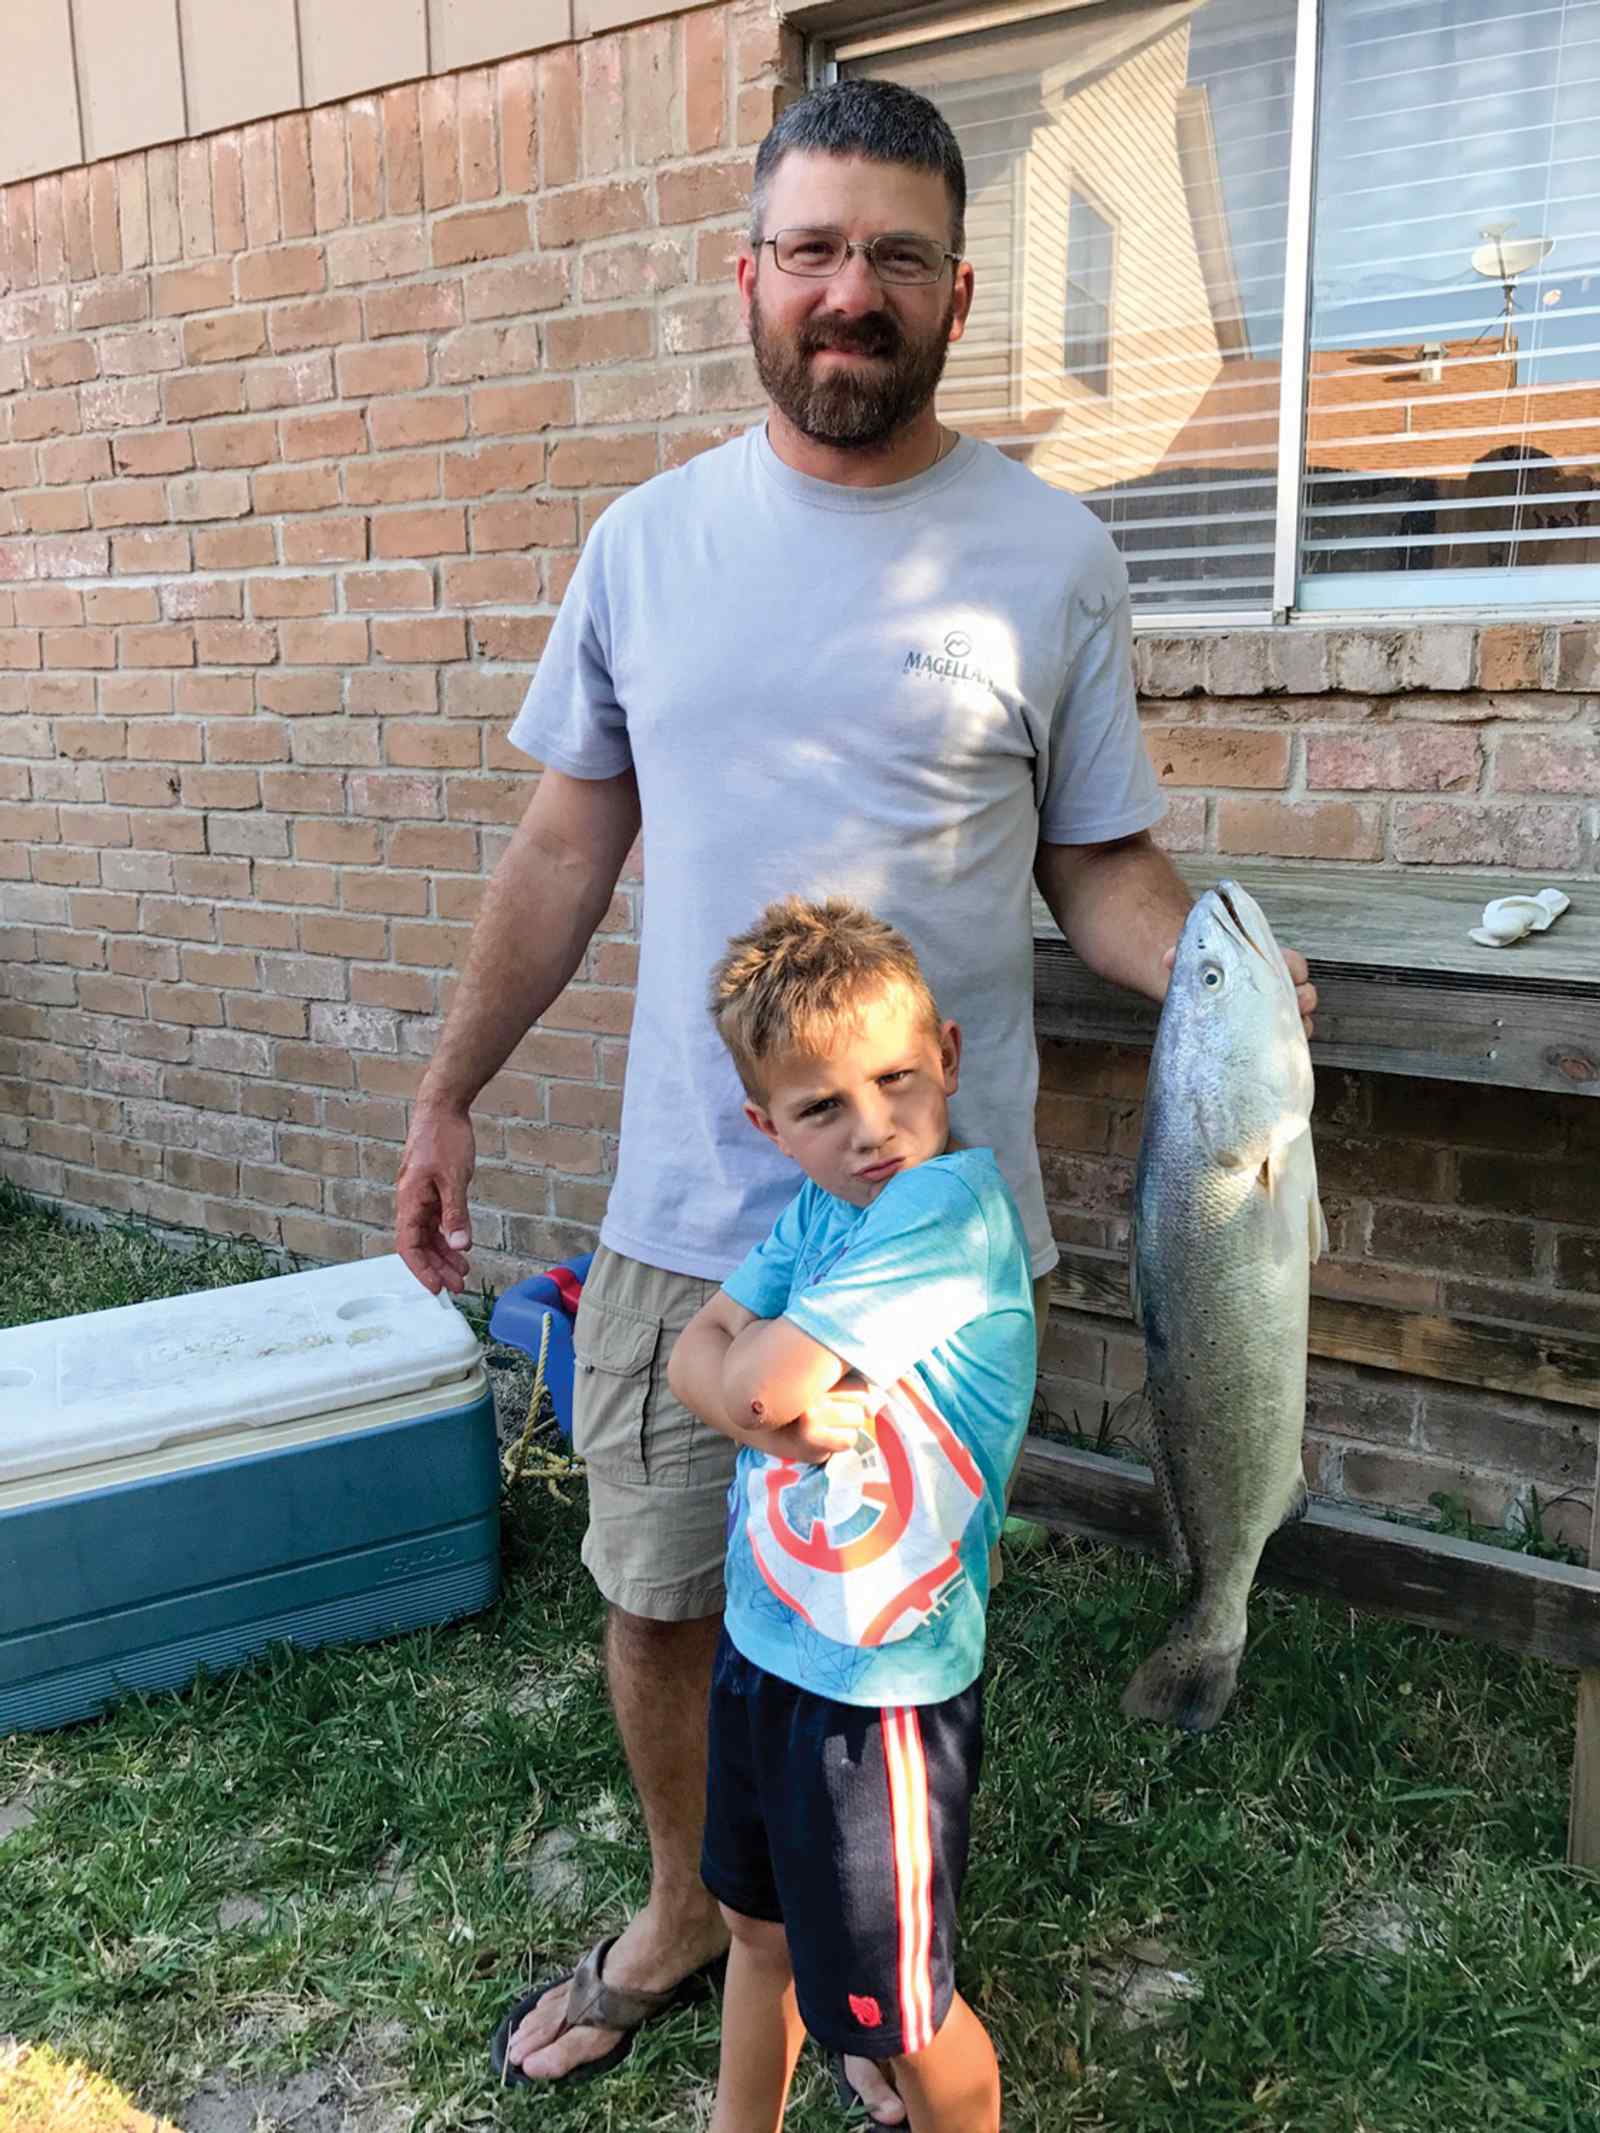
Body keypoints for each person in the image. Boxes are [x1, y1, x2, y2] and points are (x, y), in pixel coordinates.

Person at [395, 78, 1315, 2119]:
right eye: (811, 248)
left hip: (924, 1238)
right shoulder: (646, 544)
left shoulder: (1049, 553)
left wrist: (1228, 976)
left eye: (896, 255)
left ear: (956, 292)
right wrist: (450, 1090)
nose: (849, 291)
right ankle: (689, 1910)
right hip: (688, 1205)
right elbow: (560, 848)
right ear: (746, 275)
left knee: (891, 1623)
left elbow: (1101, 866)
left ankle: (878, 1962)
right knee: (659, 1593)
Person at [666, 897, 1030, 2133]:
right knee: (754, 1927)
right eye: (821, 1108)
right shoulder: (822, 1214)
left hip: (878, 1697)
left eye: (894, 1081)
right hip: (765, 1646)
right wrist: (763, 1413)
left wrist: (753, 1397)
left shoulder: (944, 1210)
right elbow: (698, 1357)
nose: (871, 1129)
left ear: (947, 1057)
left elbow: (743, 1371)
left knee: (899, 2016)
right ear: (765, 1126)